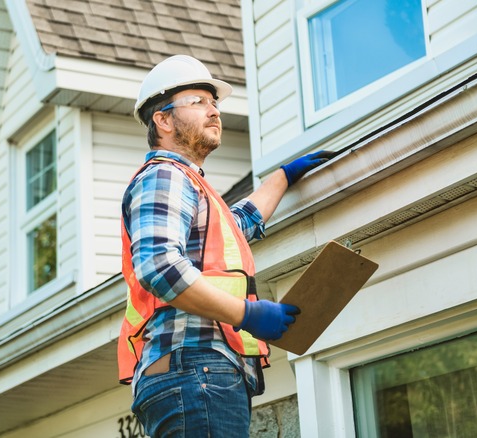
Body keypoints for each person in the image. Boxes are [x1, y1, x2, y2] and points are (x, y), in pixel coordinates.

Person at [117, 54, 334, 437]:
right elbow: (160, 267)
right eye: (198, 101)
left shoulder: (193, 187)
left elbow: (239, 224)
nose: (213, 111)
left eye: (214, 102)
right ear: (163, 120)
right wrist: (247, 315)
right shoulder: (165, 176)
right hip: (195, 369)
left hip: (197, 373)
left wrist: (282, 178)